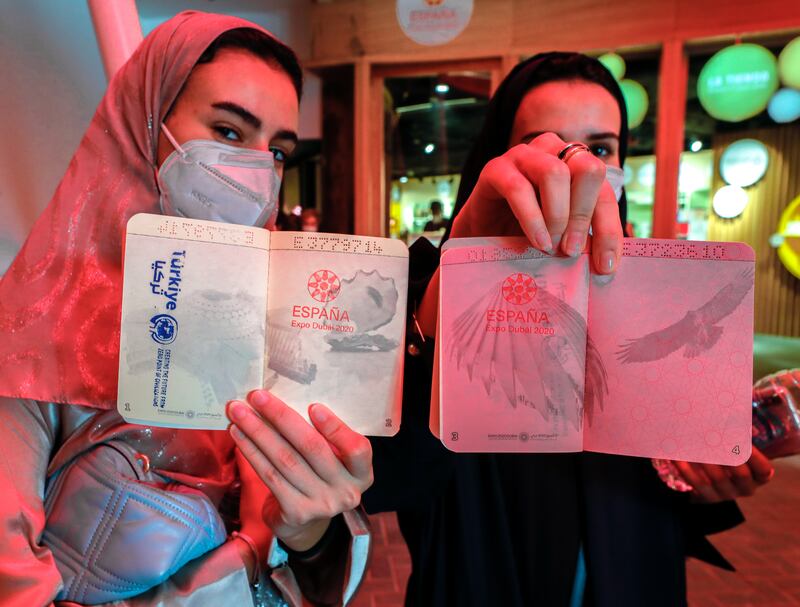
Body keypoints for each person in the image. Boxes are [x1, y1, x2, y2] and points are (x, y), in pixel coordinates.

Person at [363, 52, 773, 607]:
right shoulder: (429, 288)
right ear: (496, 158)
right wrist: (451, 294)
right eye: (547, 145)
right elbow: (389, 476)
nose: (578, 166)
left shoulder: (653, 295)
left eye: (600, 149)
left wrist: (701, 477)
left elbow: (658, 476)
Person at [0, 11, 372, 607]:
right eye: (228, 132)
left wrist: (307, 531)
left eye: (277, 150)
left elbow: (295, 565)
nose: (257, 174)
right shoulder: (37, 328)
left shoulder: (275, 320)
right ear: (145, 125)